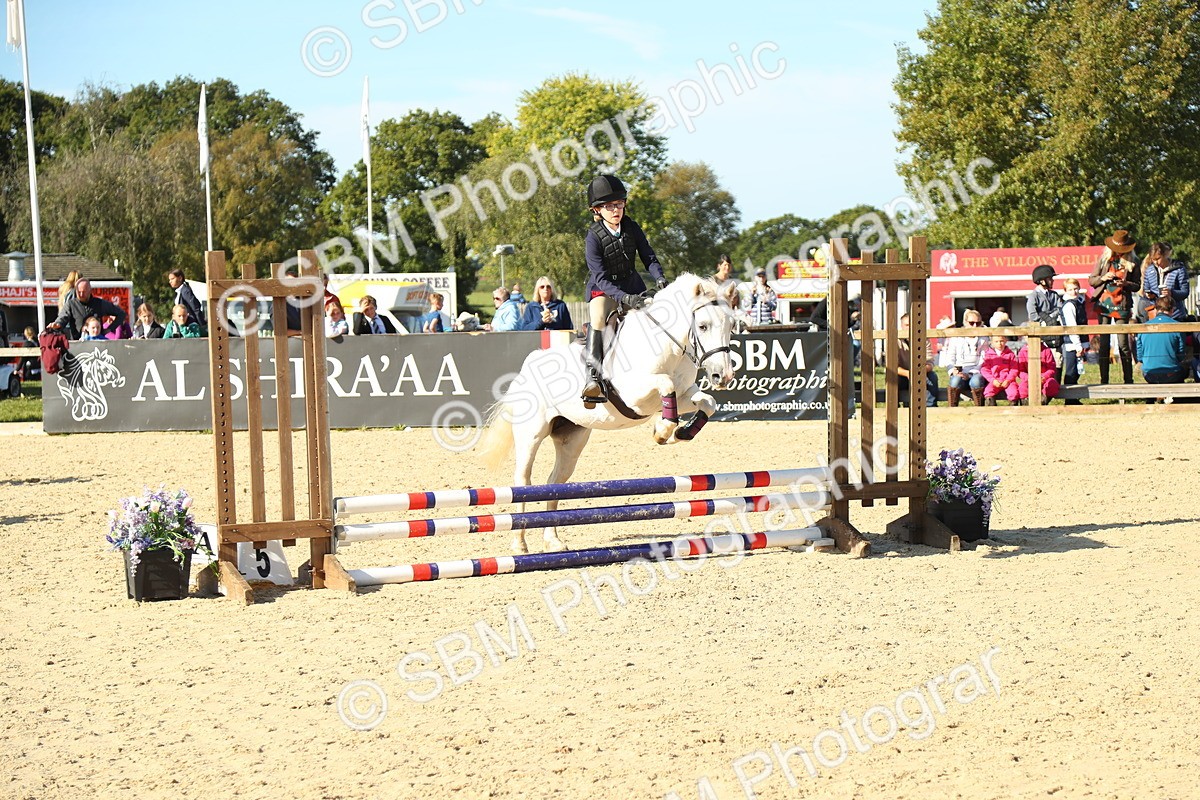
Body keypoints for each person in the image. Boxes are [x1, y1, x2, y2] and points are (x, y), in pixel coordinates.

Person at [582, 174, 667, 403]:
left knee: (652, 317)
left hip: (632, 283)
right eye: (609, 206)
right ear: (597, 210)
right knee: (599, 318)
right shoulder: (593, 237)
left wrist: (659, 278)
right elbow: (600, 276)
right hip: (603, 288)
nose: (615, 210)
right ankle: (593, 377)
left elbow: (648, 255)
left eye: (619, 204)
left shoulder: (632, 227)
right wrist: (625, 298)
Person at [1089, 229, 1139, 384]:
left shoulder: (1133, 262)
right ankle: (1104, 380)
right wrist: (1103, 277)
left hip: (1122, 305)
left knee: (1124, 344)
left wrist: (1125, 283)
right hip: (1103, 305)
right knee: (1104, 343)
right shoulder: (1104, 260)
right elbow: (1092, 280)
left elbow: (1137, 286)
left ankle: (1128, 380)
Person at [51, 277, 128, 340]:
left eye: (84, 292)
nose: (81, 294)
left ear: (90, 291)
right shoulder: (71, 305)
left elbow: (121, 313)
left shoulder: (100, 303)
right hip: (78, 344)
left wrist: (110, 329)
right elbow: (62, 318)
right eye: (79, 292)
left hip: (98, 344)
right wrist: (58, 324)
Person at [942, 309, 988, 406]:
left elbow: (983, 360)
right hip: (959, 371)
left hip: (976, 372)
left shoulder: (984, 338)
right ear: (965, 323)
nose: (975, 326)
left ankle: (979, 408)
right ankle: (952, 409)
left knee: (976, 380)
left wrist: (971, 373)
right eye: (972, 323)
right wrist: (953, 370)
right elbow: (950, 357)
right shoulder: (956, 337)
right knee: (955, 381)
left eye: (978, 323)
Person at [1136, 295, 1187, 383]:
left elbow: (1140, 356)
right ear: (1172, 310)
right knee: (1185, 369)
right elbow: (1181, 354)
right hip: (1172, 373)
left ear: (1155, 309)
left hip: (1149, 374)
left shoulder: (1143, 327)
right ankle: (1177, 396)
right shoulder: (1178, 326)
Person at [896, 313, 938, 407]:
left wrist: (918, 372)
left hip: (921, 373)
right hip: (902, 374)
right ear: (901, 326)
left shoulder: (924, 339)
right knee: (892, 378)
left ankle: (931, 407)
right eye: (907, 325)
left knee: (932, 377)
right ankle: (894, 408)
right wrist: (908, 373)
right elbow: (892, 366)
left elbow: (930, 363)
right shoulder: (895, 340)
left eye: (912, 324)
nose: (910, 328)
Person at [1140, 242, 1189, 321]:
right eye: (1153, 259)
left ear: (1165, 255)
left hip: (1175, 315)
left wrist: (1172, 293)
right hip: (1155, 315)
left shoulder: (1179, 269)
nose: (1155, 262)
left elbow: (1185, 292)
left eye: (1158, 259)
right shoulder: (1149, 270)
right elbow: (1146, 290)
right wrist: (1148, 295)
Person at [1060, 278, 1087, 404]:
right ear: (1065, 291)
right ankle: (1069, 398)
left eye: (1075, 288)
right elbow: (1072, 326)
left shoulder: (1079, 302)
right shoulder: (1069, 305)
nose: (1074, 291)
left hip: (1080, 341)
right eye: (1070, 289)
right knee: (1071, 371)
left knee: (1078, 370)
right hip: (1072, 343)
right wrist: (1078, 345)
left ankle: (1073, 397)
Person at [980, 334, 1020, 405]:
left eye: (1001, 341)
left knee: (1014, 393)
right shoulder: (988, 355)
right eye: (996, 341)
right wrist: (992, 380)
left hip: (1008, 381)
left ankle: (1012, 412)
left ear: (1005, 341)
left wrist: (1008, 380)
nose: (999, 343)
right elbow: (984, 369)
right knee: (988, 392)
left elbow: (1014, 369)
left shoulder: (1010, 354)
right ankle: (993, 412)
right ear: (992, 343)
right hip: (995, 380)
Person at [1018, 338, 1060, 404]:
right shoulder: (1022, 352)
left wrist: (1044, 377)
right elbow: (1020, 370)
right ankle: (1025, 406)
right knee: (1023, 388)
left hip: (1044, 378)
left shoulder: (1046, 351)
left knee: (1052, 385)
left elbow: (1051, 368)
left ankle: (1043, 403)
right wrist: (1028, 378)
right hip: (1029, 379)